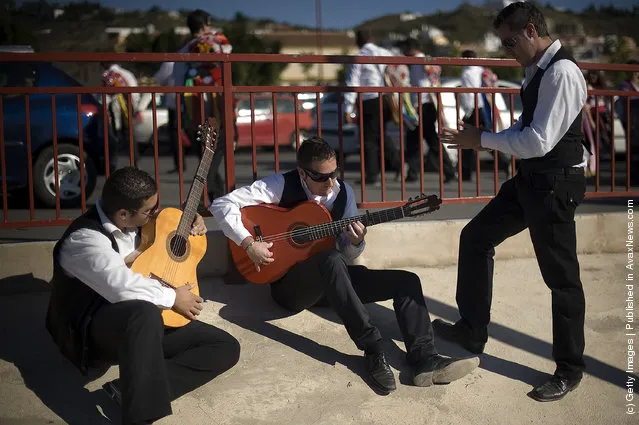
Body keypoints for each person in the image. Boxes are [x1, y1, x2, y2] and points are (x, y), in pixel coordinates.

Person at [210, 136, 479, 394]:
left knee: (407, 281)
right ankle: (373, 350)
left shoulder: (343, 195)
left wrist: (356, 241)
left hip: (334, 281)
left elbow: (348, 254)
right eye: (321, 177)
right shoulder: (280, 184)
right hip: (290, 287)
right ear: (303, 174)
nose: (330, 182)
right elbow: (221, 204)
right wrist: (248, 243)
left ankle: (424, 359)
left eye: (334, 173)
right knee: (331, 259)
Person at [438, 2, 588, 402]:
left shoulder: (562, 73)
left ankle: (570, 369)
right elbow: (526, 128)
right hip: (532, 181)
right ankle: (472, 329)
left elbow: (538, 141)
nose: (507, 50)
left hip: (555, 184)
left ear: (532, 32)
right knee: (475, 237)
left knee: (561, 280)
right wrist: (485, 134)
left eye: (509, 42)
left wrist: (482, 140)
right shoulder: (538, 71)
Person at [45, 167, 240, 425]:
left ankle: (127, 389)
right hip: (91, 333)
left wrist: (189, 221)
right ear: (124, 214)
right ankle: (140, 417)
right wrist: (173, 298)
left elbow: (160, 235)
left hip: (142, 328)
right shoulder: (85, 240)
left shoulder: (136, 221)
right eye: (149, 210)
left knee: (224, 347)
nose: (155, 213)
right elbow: (121, 286)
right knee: (143, 311)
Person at [173, 9, 233, 198]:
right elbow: (228, 52)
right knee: (217, 146)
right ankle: (216, 199)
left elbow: (177, 77)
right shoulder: (215, 40)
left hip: (193, 102)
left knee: (205, 149)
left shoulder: (184, 49)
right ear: (205, 24)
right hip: (216, 101)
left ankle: (215, 197)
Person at [398, 38, 456, 183]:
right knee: (421, 140)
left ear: (411, 49)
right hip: (426, 105)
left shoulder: (420, 62)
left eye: (405, 49)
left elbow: (422, 86)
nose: (404, 53)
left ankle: (446, 171)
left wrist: (416, 105)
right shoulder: (425, 61)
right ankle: (416, 172)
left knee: (421, 141)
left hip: (423, 105)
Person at [344, 29, 398, 185]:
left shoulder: (360, 56)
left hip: (368, 100)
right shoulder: (384, 52)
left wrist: (348, 108)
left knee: (368, 139)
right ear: (372, 38)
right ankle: (399, 164)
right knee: (380, 135)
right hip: (384, 99)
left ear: (357, 41)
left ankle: (372, 176)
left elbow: (352, 82)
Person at [459, 50, 511, 181]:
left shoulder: (466, 72)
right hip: (484, 108)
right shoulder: (482, 70)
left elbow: (468, 94)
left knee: (467, 139)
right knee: (485, 138)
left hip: (473, 109)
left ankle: (465, 173)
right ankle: (504, 163)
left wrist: (467, 111)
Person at [101, 62, 146, 167]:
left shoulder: (106, 75)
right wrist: (134, 106)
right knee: (130, 134)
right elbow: (135, 91)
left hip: (114, 107)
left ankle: (112, 162)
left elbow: (103, 96)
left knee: (113, 135)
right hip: (127, 106)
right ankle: (134, 162)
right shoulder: (127, 73)